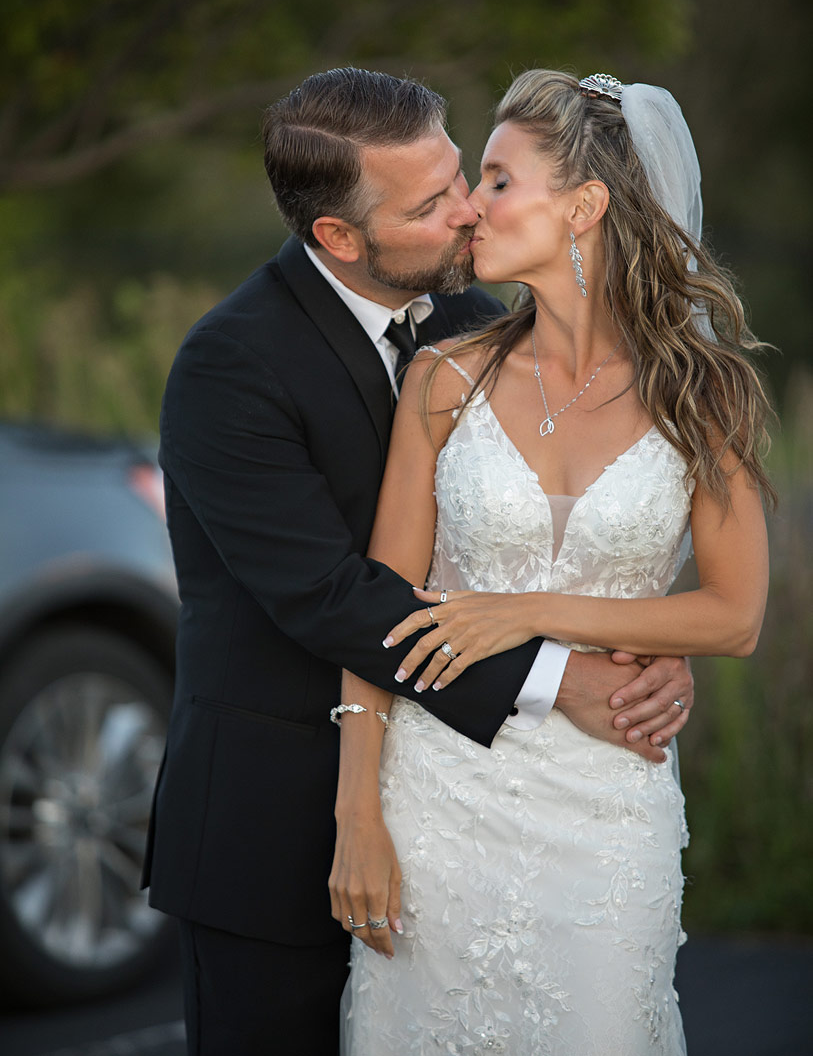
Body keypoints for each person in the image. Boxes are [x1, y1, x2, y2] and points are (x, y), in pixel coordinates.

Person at [141, 67, 694, 1055]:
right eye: (433, 202)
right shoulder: (231, 364)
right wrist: (565, 678)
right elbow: (333, 596)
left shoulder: (471, 321)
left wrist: (644, 639)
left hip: (451, 821)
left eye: (465, 177)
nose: (467, 213)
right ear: (339, 238)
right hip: (273, 828)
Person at [331, 70, 774, 1055]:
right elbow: (380, 609)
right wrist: (357, 809)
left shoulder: (703, 395)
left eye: (496, 179)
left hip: (611, 800)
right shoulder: (444, 378)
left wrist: (528, 608)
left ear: (583, 205)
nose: (469, 206)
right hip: (438, 799)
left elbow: (734, 614)